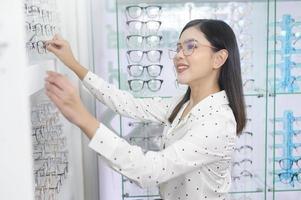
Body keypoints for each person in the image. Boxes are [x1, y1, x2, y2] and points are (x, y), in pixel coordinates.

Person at [45, 19, 246, 200]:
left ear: (218, 58)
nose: (178, 56)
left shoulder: (218, 122)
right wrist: (73, 64)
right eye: (178, 48)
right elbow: (127, 103)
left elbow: (150, 170)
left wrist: (82, 117)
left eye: (190, 47)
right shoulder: (183, 104)